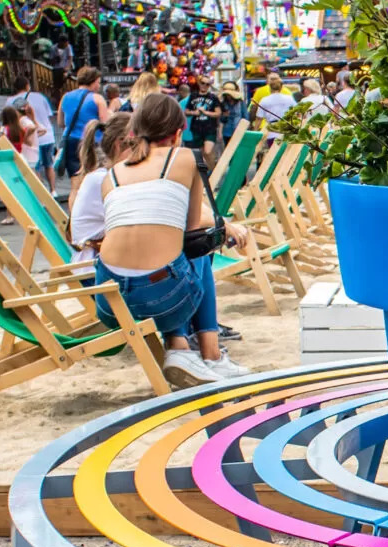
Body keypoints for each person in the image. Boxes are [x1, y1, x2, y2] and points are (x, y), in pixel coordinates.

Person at [92, 92, 247, 387]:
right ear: (178, 133)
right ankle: (206, 353)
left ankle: (182, 348)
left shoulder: (110, 175)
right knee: (197, 247)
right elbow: (189, 228)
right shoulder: (186, 158)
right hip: (161, 300)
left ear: (134, 132)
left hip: (108, 300)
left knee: (165, 255)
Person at [67, 113, 133, 276]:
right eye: (140, 145)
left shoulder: (102, 176)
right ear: (120, 145)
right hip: (96, 272)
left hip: (102, 266)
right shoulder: (103, 180)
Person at [58, 66, 104, 178]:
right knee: (93, 180)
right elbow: (105, 125)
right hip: (92, 142)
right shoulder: (98, 99)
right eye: (98, 82)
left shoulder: (65, 97)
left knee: (75, 185)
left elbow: (60, 123)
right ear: (92, 82)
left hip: (71, 142)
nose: (99, 86)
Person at [12, 83, 56, 184]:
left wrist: (26, 138)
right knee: (47, 166)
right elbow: (45, 122)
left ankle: (40, 191)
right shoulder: (40, 97)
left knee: (35, 169)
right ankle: (50, 191)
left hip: (31, 147)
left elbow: (35, 129)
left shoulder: (22, 119)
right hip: (44, 140)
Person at [184, 76, 224, 161]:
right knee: (202, 153)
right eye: (203, 83)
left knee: (208, 151)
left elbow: (218, 113)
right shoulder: (193, 96)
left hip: (210, 128)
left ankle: (213, 170)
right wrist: (194, 113)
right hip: (196, 128)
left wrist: (206, 112)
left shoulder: (213, 97)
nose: (204, 85)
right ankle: (210, 170)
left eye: (207, 84)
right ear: (199, 83)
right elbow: (186, 112)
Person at [0, 103, 44, 174]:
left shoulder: (4, 129)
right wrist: (32, 119)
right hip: (20, 156)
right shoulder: (20, 130)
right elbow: (30, 141)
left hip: (8, 156)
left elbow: (2, 142)